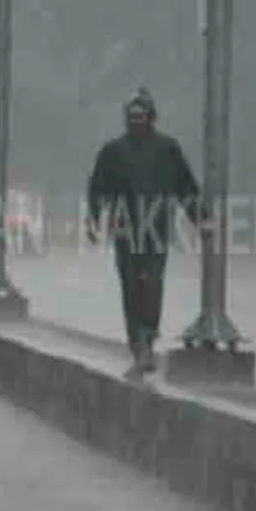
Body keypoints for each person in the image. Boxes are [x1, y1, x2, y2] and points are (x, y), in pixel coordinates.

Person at [86, 88, 203, 378]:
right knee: (130, 287)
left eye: (142, 117)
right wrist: (93, 219)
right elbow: (97, 188)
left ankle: (148, 337)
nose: (137, 122)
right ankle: (137, 344)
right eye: (132, 117)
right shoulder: (113, 152)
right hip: (125, 230)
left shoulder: (167, 150)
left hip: (156, 230)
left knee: (152, 284)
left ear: (152, 118)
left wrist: (201, 219)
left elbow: (185, 187)